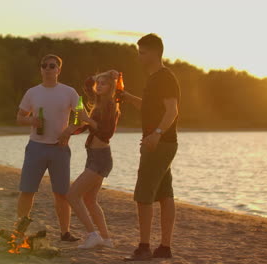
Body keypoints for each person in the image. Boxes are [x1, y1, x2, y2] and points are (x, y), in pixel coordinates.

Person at [123, 33, 181, 261]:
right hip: (161, 143)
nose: (139, 56)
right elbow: (149, 108)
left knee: (143, 195)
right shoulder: (154, 79)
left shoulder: (165, 77)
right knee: (165, 194)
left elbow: (172, 111)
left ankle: (144, 247)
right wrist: (128, 98)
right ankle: (165, 248)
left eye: (142, 52)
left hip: (159, 144)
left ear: (155, 53)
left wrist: (156, 135)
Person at [16, 54, 80, 242]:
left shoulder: (69, 92)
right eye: (44, 66)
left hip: (59, 148)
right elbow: (19, 117)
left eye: (52, 66)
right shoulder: (32, 92)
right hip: (36, 146)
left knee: (61, 192)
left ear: (59, 70)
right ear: (40, 69)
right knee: (27, 190)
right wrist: (31, 120)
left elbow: (80, 114)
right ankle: (19, 230)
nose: (48, 69)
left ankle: (65, 233)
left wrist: (69, 130)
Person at [66, 70, 121, 249]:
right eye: (99, 83)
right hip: (94, 157)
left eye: (104, 83)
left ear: (111, 87)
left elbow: (107, 133)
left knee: (72, 195)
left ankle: (92, 234)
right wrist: (106, 74)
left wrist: (87, 119)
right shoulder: (98, 102)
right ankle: (106, 239)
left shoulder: (111, 104)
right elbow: (88, 82)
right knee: (90, 200)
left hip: (101, 158)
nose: (99, 85)